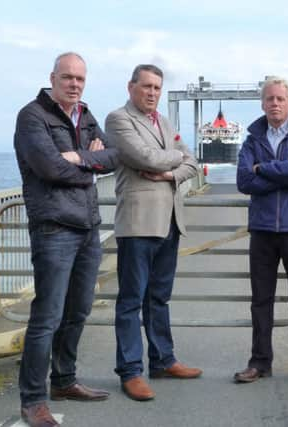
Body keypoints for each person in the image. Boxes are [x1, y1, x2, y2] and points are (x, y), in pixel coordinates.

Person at [14, 52, 117, 427]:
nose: (75, 84)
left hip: (88, 226)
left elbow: (114, 156)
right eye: (68, 77)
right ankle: (33, 400)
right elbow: (48, 168)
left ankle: (64, 380)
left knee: (78, 310)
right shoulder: (32, 117)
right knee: (47, 317)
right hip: (54, 227)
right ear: (52, 77)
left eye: (80, 79)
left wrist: (79, 159)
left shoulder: (86, 116)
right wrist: (86, 166)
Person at [105, 64, 201, 402]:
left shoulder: (164, 121)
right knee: (131, 299)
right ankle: (130, 372)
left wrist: (170, 172)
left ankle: (162, 360)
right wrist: (174, 158)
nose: (152, 92)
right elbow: (141, 156)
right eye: (146, 86)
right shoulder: (118, 120)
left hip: (170, 220)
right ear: (131, 87)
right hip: (138, 223)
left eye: (157, 87)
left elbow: (191, 163)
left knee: (159, 297)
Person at [234, 76, 288, 390]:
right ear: (262, 103)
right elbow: (244, 181)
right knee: (261, 299)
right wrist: (285, 166)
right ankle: (260, 361)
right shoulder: (251, 140)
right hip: (262, 229)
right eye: (270, 99)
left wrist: (263, 168)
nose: (275, 104)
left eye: (280, 99)